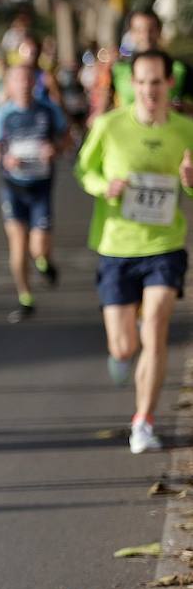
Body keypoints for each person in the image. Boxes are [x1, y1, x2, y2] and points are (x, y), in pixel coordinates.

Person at [74, 49, 193, 454]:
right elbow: (83, 169)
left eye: (156, 82)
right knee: (123, 345)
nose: (148, 90)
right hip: (117, 245)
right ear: (131, 84)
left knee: (155, 326)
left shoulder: (184, 130)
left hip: (164, 245)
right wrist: (102, 186)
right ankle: (121, 357)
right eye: (140, 82)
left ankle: (143, 420)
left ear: (168, 84)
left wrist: (190, 179)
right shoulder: (109, 126)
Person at [0, 64, 68, 322]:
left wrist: (54, 148)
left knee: (39, 247)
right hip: (13, 188)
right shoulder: (2, 115)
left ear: (35, 83)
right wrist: (4, 159)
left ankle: (44, 263)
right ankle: (25, 297)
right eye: (17, 80)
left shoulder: (48, 109)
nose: (23, 85)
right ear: (8, 86)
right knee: (18, 244)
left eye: (27, 80)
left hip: (41, 186)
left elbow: (67, 139)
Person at [98, 10, 192, 115]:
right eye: (139, 30)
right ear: (131, 33)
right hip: (128, 130)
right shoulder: (117, 68)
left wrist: (180, 107)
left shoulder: (180, 68)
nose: (146, 36)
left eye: (151, 30)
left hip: (166, 129)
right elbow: (104, 106)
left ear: (159, 30)